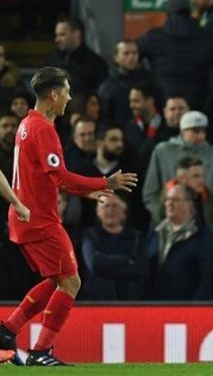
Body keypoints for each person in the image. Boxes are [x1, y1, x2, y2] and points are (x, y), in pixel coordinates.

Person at [0, 67, 137, 366]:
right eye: (66, 92)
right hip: (39, 220)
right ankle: (40, 352)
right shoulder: (44, 129)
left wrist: (85, 193)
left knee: (56, 278)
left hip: (27, 216)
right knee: (71, 282)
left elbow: (43, 176)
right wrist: (104, 182)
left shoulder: (27, 124)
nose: (69, 97)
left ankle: (7, 330)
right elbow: (60, 176)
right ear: (53, 95)